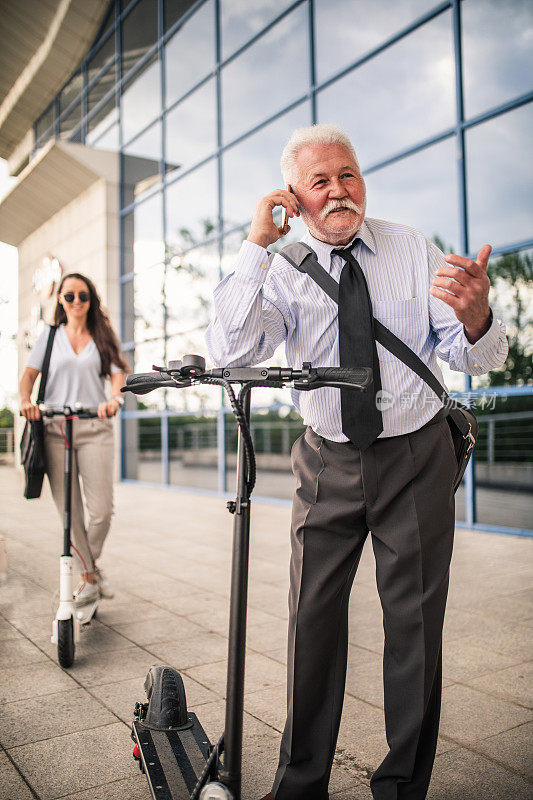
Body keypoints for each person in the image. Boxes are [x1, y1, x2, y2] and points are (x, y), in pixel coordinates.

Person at [206, 124, 508, 800]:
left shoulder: (408, 247)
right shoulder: (278, 268)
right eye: (320, 181)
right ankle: (300, 781)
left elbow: (469, 356)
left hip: (416, 457)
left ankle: (401, 787)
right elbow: (232, 354)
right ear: (292, 197)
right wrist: (255, 245)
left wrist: (479, 317)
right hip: (325, 463)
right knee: (311, 621)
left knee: (415, 628)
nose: (339, 190)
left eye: (347, 174)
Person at [20, 272, 129, 604]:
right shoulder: (49, 337)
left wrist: (115, 399)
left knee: (102, 512)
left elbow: (117, 376)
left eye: (83, 296)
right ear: (61, 300)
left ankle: (88, 571)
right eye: (70, 296)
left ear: (91, 300)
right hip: (54, 430)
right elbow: (28, 377)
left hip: (94, 426)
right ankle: (90, 576)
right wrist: (25, 402)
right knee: (70, 514)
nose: (77, 302)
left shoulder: (102, 335)